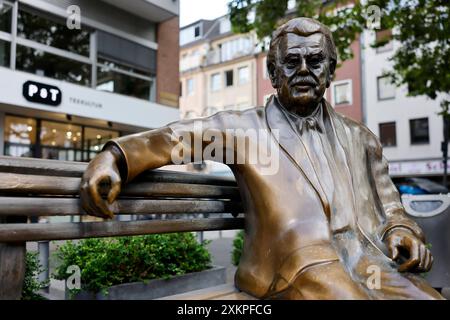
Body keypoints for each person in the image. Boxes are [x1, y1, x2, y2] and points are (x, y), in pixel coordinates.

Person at [80, 17, 443, 299]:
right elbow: (179, 139)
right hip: (295, 263)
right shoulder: (244, 131)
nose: (304, 70)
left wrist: (402, 231)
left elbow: (392, 207)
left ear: (331, 72)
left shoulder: (361, 139)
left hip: (368, 259)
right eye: (291, 62)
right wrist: (117, 156)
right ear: (272, 73)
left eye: (316, 61)